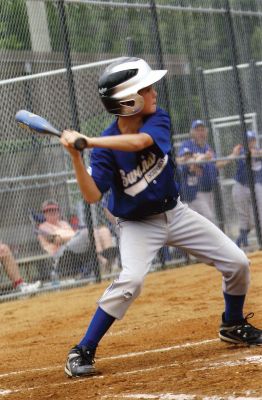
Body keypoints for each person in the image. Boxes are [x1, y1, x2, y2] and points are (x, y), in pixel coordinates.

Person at [60, 57, 262, 378]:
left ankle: (233, 323)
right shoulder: (103, 151)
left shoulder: (158, 119)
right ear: (128, 102)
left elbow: (140, 142)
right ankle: (82, 349)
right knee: (131, 280)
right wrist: (76, 155)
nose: (154, 93)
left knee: (237, 262)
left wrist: (89, 140)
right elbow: (92, 195)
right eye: (146, 89)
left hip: (176, 213)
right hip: (138, 224)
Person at [176, 120, 237, 223]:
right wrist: (201, 158)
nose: (201, 133)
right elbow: (183, 158)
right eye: (198, 130)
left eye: (202, 130)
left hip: (210, 192)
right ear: (192, 133)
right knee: (208, 220)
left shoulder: (207, 147)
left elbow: (217, 164)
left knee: (206, 221)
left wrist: (234, 155)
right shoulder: (187, 145)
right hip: (195, 192)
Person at [38, 199, 116, 275]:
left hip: (74, 245)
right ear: (44, 214)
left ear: (58, 211)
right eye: (48, 210)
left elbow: (71, 236)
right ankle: (103, 261)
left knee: (104, 230)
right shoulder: (43, 227)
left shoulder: (63, 223)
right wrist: (75, 235)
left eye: (54, 209)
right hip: (61, 252)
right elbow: (57, 240)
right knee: (89, 231)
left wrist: (75, 236)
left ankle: (110, 260)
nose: (52, 212)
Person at [232, 131, 262, 248]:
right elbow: (247, 156)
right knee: (244, 216)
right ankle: (242, 243)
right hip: (241, 186)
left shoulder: (258, 151)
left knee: (259, 216)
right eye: (248, 140)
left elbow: (257, 153)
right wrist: (253, 153)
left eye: (252, 140)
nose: (250, 142)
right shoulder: (241, 152)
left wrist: (257, 153)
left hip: (256, 186)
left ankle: (241, 242)